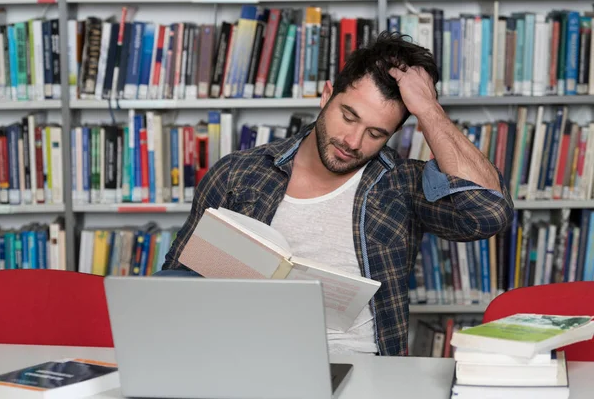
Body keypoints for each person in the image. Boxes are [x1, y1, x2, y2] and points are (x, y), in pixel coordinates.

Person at [159, 31, 514, 356]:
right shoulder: (240, 173)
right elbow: (177, 282)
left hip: (361, 367)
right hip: (245, 358)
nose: (353, 142)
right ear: (327, 95)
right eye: (348, 116)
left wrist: (428, 110)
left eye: (376, 133)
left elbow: (486, 216)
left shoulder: (401, 184)